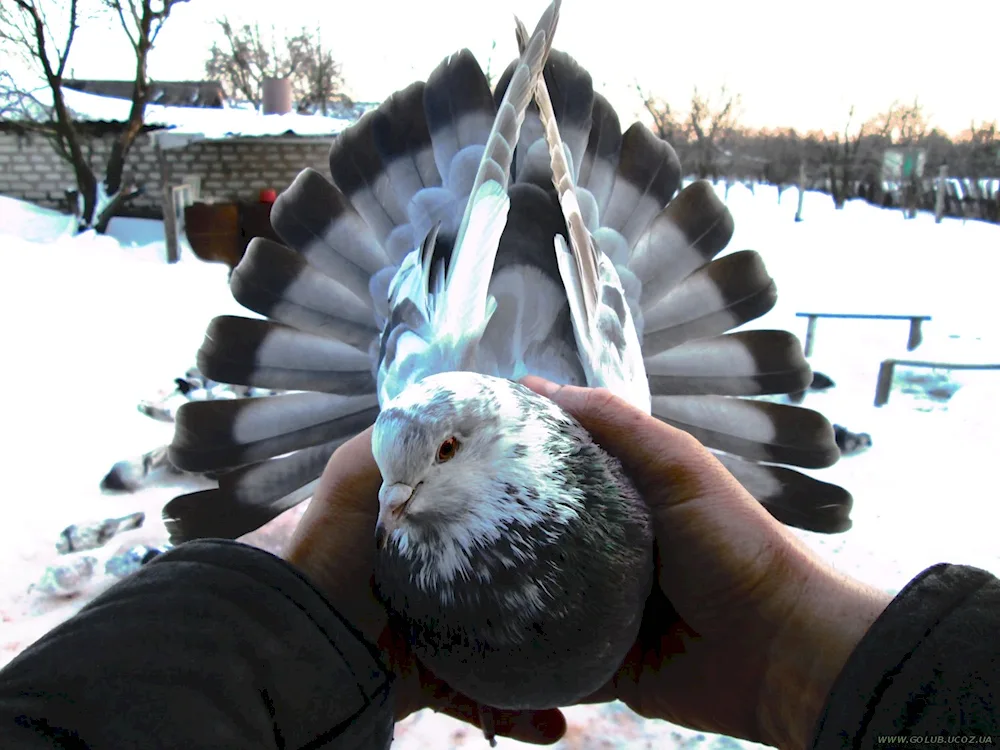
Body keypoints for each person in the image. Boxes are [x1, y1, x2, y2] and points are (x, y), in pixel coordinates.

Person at [0, 378, 997, 749]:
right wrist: (811, 663)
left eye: (424, 468)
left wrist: (269, 665)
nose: (392, 501)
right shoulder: (400, 503)